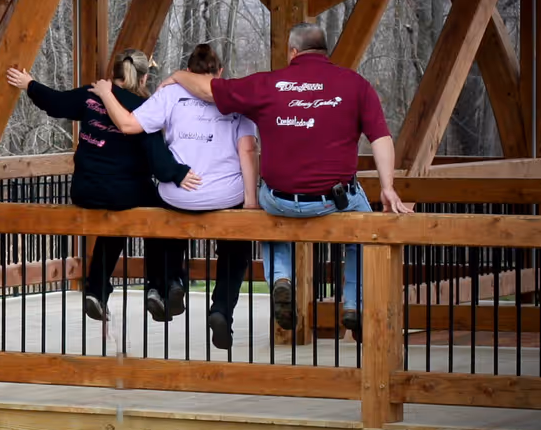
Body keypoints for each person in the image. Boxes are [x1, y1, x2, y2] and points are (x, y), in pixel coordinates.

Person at [163, 22, 412, 340]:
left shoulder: (269, 84)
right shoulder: (355, 85)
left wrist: (176, 77)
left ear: (292, 52)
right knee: (362, 230)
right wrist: (388, 186)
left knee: (269, 207)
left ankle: (282, 277)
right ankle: (353, 304)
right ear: (325, 51)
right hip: (332, 199)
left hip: (282, 198)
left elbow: (207, 89)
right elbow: (380, 137)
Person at [96, 43, 261, 350]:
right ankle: (222, 308)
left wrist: (106, 94)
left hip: (179, 195)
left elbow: (129, 124)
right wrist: (250, 201)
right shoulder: (234, 99)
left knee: (163, 217)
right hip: (226, 194)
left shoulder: (170, 95)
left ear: (188, 70)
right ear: (220, 72)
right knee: (236, 250)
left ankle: (172, 282)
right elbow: (247, 151)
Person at [5, 49, 188, 322]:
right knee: (164, 211)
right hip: (125, 191)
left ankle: (96, 291)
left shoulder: (90, 96)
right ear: (143, 78)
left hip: (85, 189)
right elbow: (160, 164)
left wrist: (29, 84)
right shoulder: (142, 109)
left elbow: (55, 103)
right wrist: (180, 174)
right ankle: (162, 286)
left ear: (114, 73)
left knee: (115, 223)